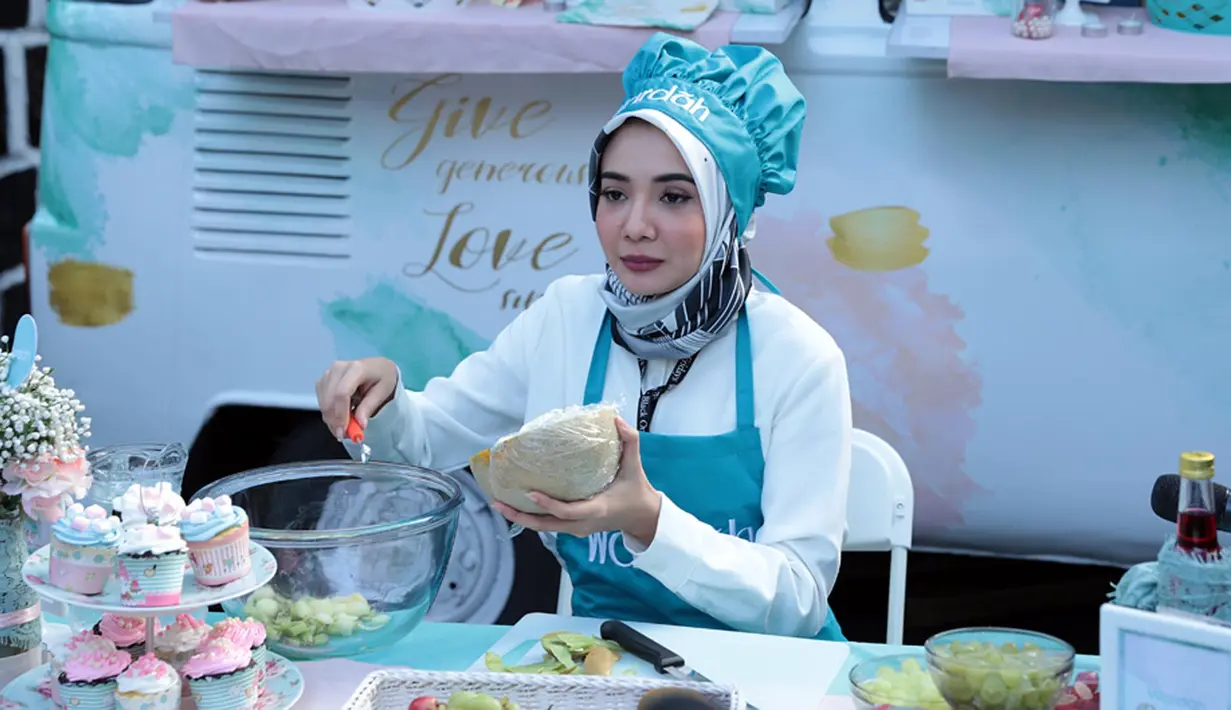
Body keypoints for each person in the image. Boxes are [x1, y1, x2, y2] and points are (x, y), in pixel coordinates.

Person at [315, 33, 852, 640]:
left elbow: (800, 602)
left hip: (768, 677)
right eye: (615, 193)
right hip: (598, 664)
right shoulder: (567, 317)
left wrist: (647, 520)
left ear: (731, 209)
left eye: (675, 196)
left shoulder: (798, 358)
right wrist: (383, 399)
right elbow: (417, 448)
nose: (635, 226)